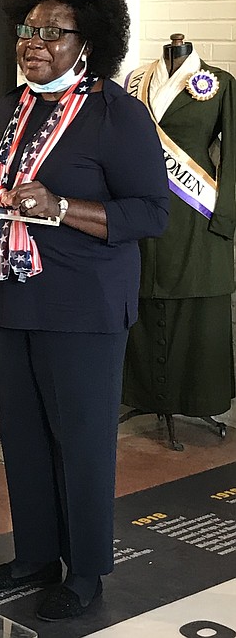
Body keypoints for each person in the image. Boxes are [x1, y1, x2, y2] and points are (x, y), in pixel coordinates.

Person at [0, 0, 169, 621]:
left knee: (83, 441)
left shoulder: (117, 115)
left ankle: (85, 568)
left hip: (85, 306)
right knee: (26, 436)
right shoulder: (10, 109)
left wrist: (63, 208)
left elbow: (152, 212)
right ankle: (35, 553)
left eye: (52, 33)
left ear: (87, 41)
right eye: (27, 29)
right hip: (14, 295)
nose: (33, 42)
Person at [123, 35, 236, 423]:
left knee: (194, 304)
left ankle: (189, 399)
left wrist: (225, 218)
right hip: (141, 209)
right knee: (140, 296)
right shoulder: (135, 80)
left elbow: (232, 153)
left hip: (195, 215)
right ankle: (143, 394)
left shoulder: (218, 83)